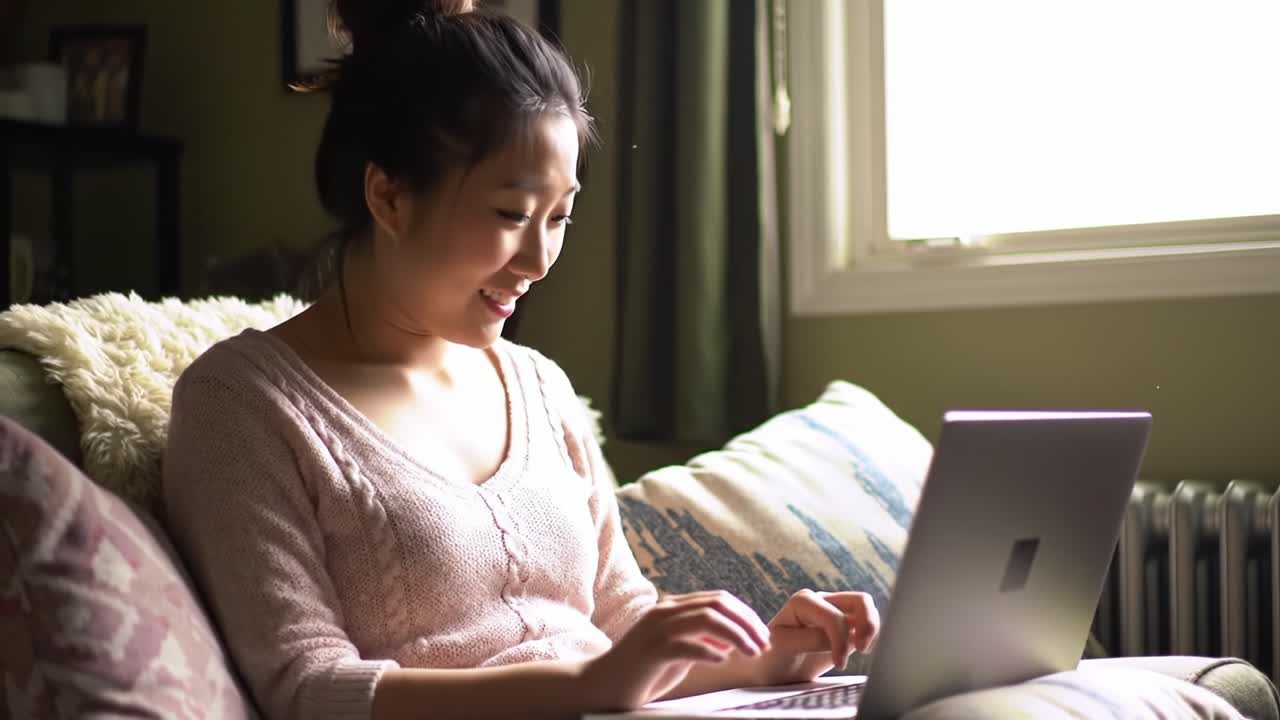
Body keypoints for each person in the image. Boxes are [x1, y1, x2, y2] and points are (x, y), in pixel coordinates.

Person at [161, 1, 880, 719]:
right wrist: (583, 688)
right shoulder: (241, 404)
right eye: (511, 214)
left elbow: (621, 624)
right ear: (388, 196)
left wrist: (769, 660)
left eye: (560, 216)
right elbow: (306, 687)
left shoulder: (539, 386)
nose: (539, 261)